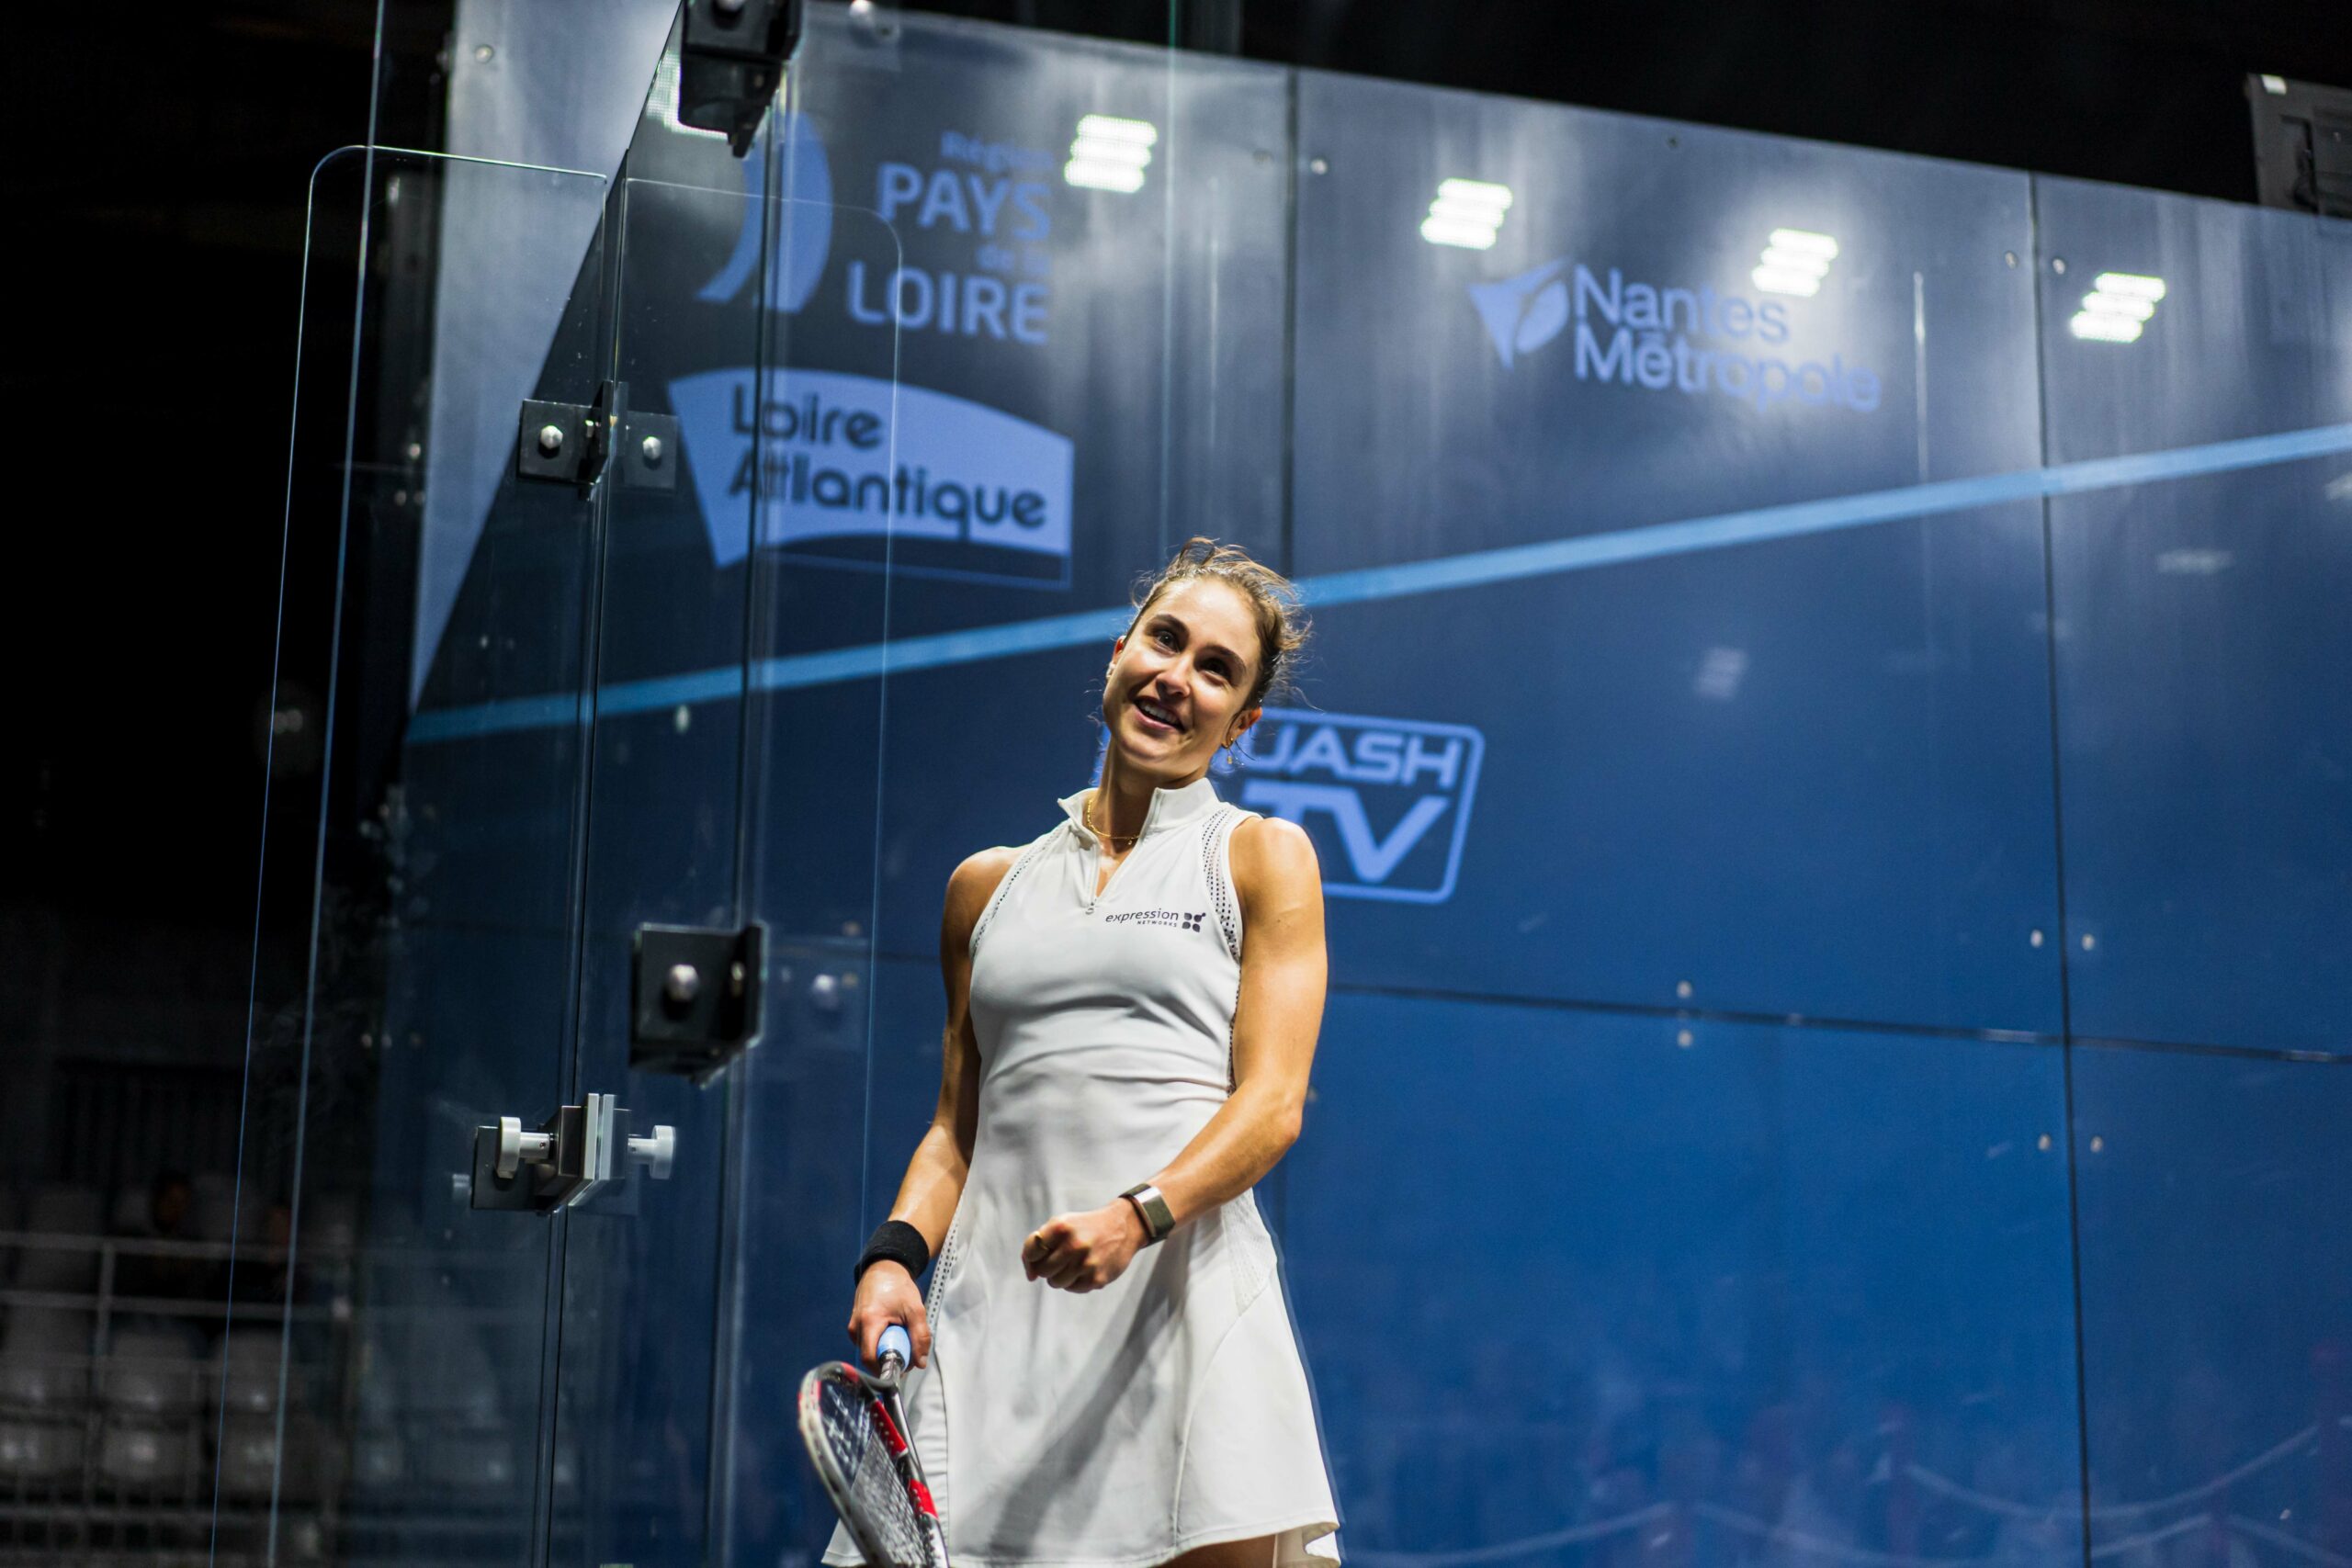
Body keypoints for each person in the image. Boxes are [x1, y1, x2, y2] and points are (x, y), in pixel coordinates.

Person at [824, 537, 1342, 1568]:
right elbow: (953, 1131)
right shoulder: (987, 885)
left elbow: (1273, 1104)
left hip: (1181, 1315)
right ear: (1117, 652)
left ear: (1241, 724)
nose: (1175, 679)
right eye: (1164, 640)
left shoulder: (1260, 858)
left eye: (1215, 671)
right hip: (987, 1332)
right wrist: (892, 1260)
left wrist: (1133, 1216)